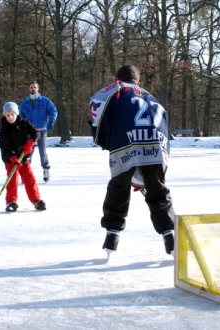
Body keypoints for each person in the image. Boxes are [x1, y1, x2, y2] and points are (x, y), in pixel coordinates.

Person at [89, 64, 176, 256]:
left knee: (119, 187)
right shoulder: (151, 97)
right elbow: (165, 127)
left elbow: (97, 106)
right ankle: (169, 235)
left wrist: (101, 137)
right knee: (158, 191)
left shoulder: (116, 90)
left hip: (126, 143)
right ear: (139, 81)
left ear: (116, 79)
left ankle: (112, 233)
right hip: (155, 145)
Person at [0, 101, 46, 212]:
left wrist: (30, 143)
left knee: (29, 178)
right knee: (12, 179)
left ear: (16, 113)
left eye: (12, 114)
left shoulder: (24, 123)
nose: (10, 117)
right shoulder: (4, 129)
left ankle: (36, 200)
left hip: (24, 157)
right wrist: (13, 157)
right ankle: (11, 201)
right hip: (10, 159)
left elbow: (36, 133)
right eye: (7, 115)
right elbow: (5, 146)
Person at [19, 81, 57, 183]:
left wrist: (51, 121)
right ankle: (25, 173)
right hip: (29, 133)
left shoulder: (45, 101)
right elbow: (21, 117)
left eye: (35, 87)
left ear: (38, 88)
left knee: (42, 152)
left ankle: (46, 170)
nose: (33, 89)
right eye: (31, 87)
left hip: (42, 131)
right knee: (28, 153)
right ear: (29, 88)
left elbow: (53, 111)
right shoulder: (24, 103)